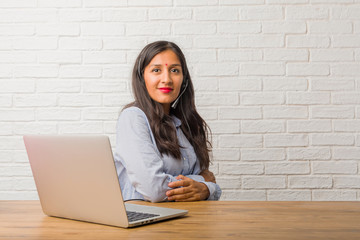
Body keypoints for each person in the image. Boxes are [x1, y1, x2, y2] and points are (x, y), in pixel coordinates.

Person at [114, 41, 222, 202]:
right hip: (146, 219)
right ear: (142, 77)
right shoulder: (133, 117)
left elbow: (199, 189)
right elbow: (154, 189)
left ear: (184, 79)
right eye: (156, 70)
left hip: (190, 219)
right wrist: (205, 184)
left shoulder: (186, 123)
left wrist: (204, 188)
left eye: (175, 70)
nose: (167, 79)